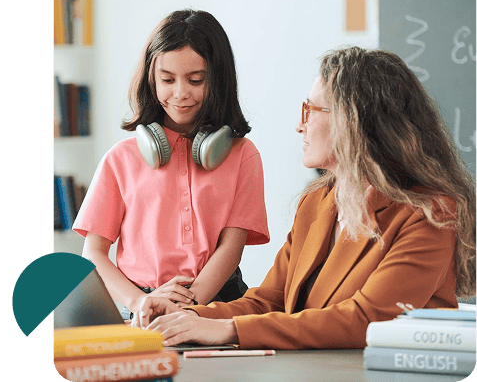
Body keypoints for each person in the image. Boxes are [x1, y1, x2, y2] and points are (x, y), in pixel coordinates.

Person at [131, 46, 476, 350]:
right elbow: (269, 300)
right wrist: (187, 316)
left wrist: (227, 329)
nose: (300, 125)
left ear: (353, 121)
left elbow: (368, 319)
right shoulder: (317, 202)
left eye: (310, 110)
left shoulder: (431, 214)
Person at [73, 9, 270, 319]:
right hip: (143, 305)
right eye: (167, 79)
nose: (180, 93)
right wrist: (141, 303)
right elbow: (93, 254)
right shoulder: (120, 159)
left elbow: (231, 250)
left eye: (196, 80)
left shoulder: (243, 155)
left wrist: (187, 306)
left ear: (219, 80)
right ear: (151, 79)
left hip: (217, 304)